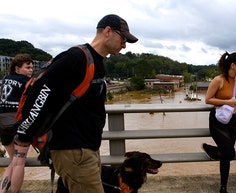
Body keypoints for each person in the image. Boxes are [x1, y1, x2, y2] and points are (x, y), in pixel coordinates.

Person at [13, 14, 138, 193]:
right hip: (73, 151)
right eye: (123, 38)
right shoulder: (76, 58)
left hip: (87, 150)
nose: (125, 45)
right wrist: (24, 133)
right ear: (108, 32)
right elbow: (41, 93)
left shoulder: (98, 63)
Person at [202, 52, 236, 193]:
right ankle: (210, 149)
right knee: (230, 153)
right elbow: (208, 99)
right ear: (233, 65)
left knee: (226, 157)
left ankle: (223, 187)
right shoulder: (218, 80)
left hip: (231, 120)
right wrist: (227, 102)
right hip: (217, 121)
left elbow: (234, 99)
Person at [0, 54, 33, 193]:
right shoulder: (28, 82)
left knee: (13, 161)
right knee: (19, 162)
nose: (30, 70)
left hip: (2, 124)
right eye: (27, 67)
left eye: (31, 67)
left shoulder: (4, 79)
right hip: (17, 123)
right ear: (17, 68)